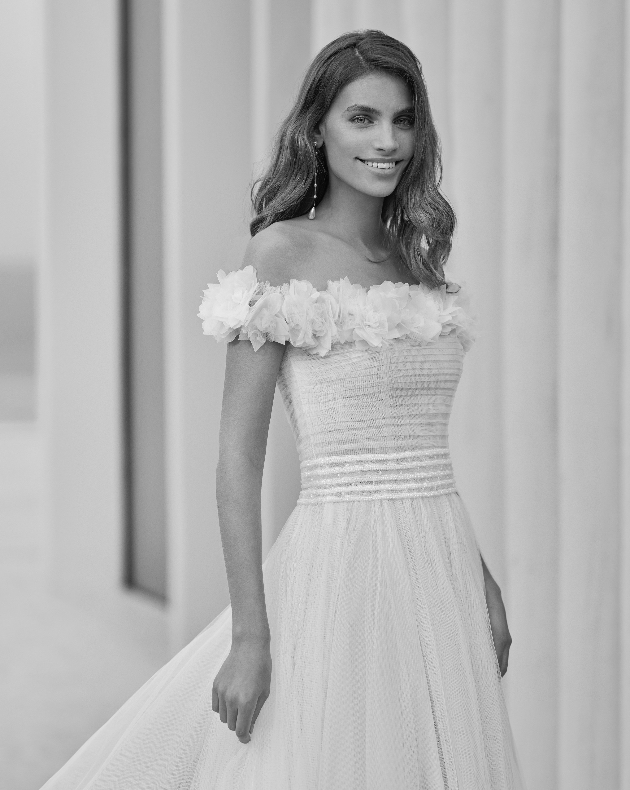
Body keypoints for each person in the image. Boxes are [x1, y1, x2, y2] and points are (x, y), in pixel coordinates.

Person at [41, 29, 525, 790]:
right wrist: (250, 634)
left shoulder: (417, 259)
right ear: (317, 128)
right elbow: (239, 457)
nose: (387, 140)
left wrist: (481, 579)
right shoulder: (280, 254)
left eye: (403, 121)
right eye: (362, 118)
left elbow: (423, 452)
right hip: (339, 570)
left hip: (438, 571)